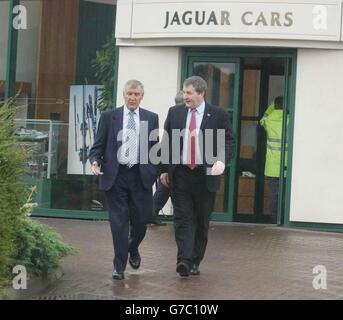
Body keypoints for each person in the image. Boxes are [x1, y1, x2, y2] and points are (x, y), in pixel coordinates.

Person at [160, 76, 234, 277]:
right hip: (181, 174)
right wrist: (163, 169)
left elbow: (228, 141)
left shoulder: (218, 114)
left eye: (189, 93)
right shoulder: (175, 113)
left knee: (201, 220)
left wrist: (221, 160)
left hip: (205, 175)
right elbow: (166, 141)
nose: (185, 97)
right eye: (184, 92)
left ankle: (195, 260)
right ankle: (183, 259)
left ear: (201, 93)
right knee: (183, 218)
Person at [89, 80, 159, 280]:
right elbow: (98, 146)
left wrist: (154, 171)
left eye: (136, 94)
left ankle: (132, 247)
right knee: (118, 223)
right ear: (123, 94)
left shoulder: (151, 118)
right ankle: (119, 266)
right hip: (116, 176)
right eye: (129, 93)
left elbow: (154, 149)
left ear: (142, 96)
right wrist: (95, 162)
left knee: (142, 220)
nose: (132, 97)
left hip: (140, 176)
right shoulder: (109, 117)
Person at [150, 90, 184, 226]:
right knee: (166, 191)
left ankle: (151, 214)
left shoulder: (174, 115)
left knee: (164, 191)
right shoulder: (177, 117)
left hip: (168, 162)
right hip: (172, 163)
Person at [260, 96, 285, 224]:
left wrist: (273, 105)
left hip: (272, 167)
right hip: (287, 167)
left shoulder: (268, 120)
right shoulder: (291, 120)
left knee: (274, 195)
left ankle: (275, 219)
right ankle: (284, 218)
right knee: (286, 195)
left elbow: (263, 116)